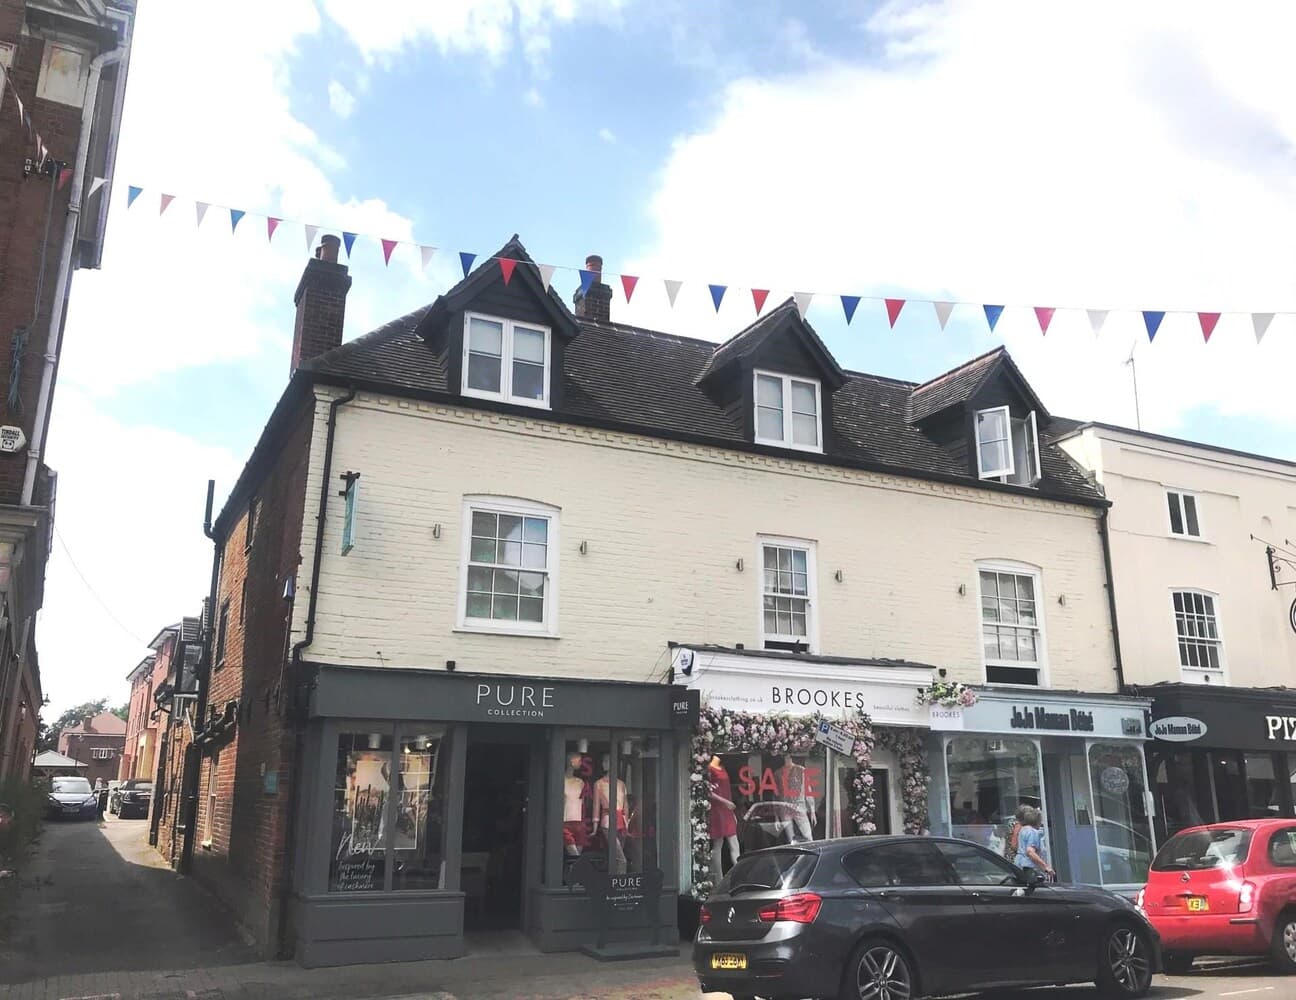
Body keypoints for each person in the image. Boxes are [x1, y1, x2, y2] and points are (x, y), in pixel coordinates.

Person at [1013, 805, 1054, 880]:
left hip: (1019, 864)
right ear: (1037, 821)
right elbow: (1030, 852)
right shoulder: (1033, 832)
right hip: (1028, 867)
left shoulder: (1023, 830)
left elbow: (1016, 846)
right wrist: (1046, 867)